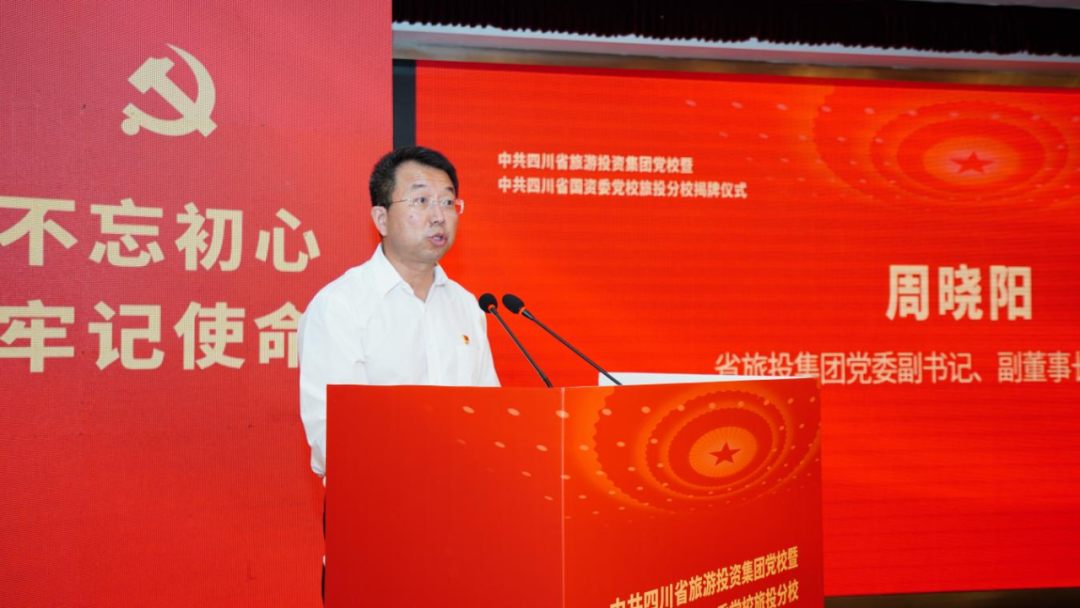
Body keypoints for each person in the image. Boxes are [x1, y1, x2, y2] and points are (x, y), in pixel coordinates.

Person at [298, 145, 500, 480]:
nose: (438, 216)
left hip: (463, 493)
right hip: (376, 493)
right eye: (421, 201)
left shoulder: (467, 305)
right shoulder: (341, 305)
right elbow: (333, 434)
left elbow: (490, 415)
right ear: (381, 218)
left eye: (447, 202)